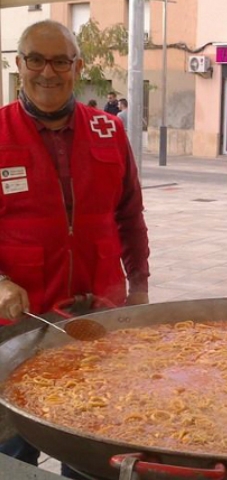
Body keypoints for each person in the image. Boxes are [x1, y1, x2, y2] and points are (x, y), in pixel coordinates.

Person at [0, 20, 150, 479]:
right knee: (12, 446)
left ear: (77, 66)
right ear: (19, 64)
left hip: (98, 315)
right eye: (37, 60)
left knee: (92, 439)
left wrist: (139, 287)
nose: (49, 72)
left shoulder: (108, 130)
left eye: (61, 60)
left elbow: (130, 216)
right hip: (18, 321)